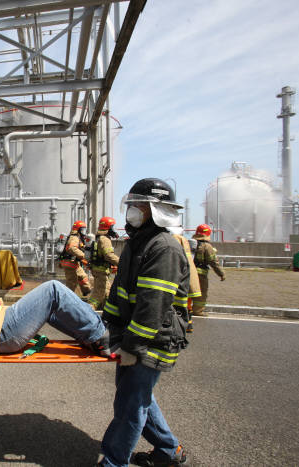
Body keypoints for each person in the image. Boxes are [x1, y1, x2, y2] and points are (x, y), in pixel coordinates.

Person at [98, 178, 190, 467]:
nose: (132, 210)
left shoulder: (163, 248)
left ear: (154, 209)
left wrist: (132, 346)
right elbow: (119, 294)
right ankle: (168, 451)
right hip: (134, 337)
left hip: (152, 340)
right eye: (132, 205)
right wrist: (109, 326)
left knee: (130, 405)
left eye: (138, 206)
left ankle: (114, 462)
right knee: (138, 398)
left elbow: (152, 307)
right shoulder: (138, 243)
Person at [192, 224, 225, 317]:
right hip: (200, 274)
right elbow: (214, 262)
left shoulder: (189, 243)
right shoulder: (207, 246)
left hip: (187, 272)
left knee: (187, 291)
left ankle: (185, 309)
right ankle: (198, 311)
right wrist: (221, 274)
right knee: (201, 292)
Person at [88, 217, 120, 310]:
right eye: (113, 227)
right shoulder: (105, 239)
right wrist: (122, 263)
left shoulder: (100, 238)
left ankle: (107, 312)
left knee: (107, 293)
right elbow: (108, 255)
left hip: (99, 270)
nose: (114, 229)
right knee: (98, 294)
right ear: (108, 227)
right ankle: (88, 311)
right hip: (101, 270)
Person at [59, 220, 92, 297]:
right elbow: (72, 248)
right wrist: (84, 256)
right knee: (72, 282)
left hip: (72, 263)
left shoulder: (77, 237)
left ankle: (86, 291)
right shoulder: (74, 237)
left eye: (85, 230)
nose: (84, 232)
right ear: (78, 230)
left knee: (82, 276)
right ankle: (66, 299)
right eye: (82, 230)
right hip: (70, 262)